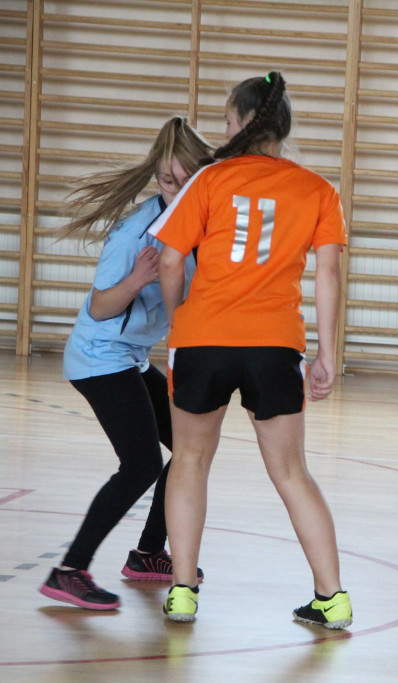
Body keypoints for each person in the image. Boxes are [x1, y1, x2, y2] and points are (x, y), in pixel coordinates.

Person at [150, 71, 351, 629]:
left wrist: (177, 317)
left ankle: (183, 592)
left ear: (242, 123)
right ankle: (332, 597)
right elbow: (329, 274)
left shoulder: (209, 180)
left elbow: (169, 259)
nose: (224, 130)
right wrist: (327, 354)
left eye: (226, 120)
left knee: (189, 461)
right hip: (275, 345)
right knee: (291, 472)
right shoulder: (318, 189)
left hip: (203, 339)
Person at [39, 117, 211, 610]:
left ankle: (148, 554)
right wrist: (136, 280)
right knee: (140, 465)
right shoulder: (135, 233)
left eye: (184, 181)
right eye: (166, 181)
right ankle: (68, 570)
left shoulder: (199, 222)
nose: (174, 190)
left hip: (131, 357)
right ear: (157, 177)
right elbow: (99, 308)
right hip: (100, 356)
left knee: (190, 449)